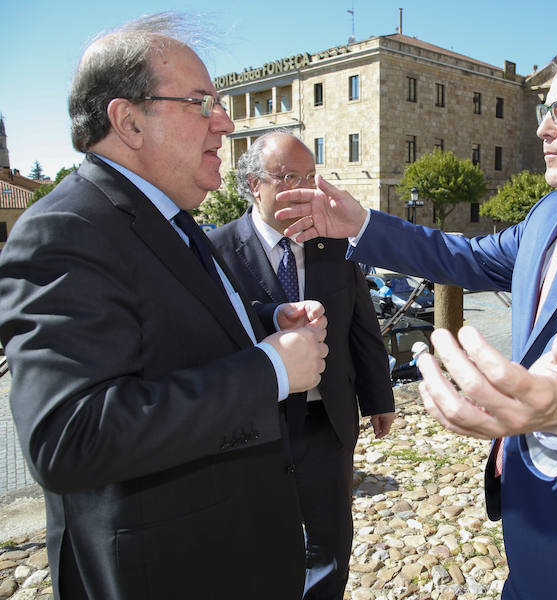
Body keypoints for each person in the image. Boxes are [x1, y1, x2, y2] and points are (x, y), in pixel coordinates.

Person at [278, 32, 557, 599]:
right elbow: (464, 257)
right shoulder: (549, 214)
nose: (542, 128)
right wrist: (364, 226)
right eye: (545, 110)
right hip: (527, 508)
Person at [0, 15, 329, 600]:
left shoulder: (167, 216)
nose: (225, 123)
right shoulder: (63, 230)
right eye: (201, 103)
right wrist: (271, 368)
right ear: (128, 121)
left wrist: (263, 323)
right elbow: (70, 437)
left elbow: (167, 327)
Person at [208, 131, 395, 600]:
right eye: (290, 177)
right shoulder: (216, 250)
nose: (305, 188)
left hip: (327, 419)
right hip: (256, 427)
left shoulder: (334, 246)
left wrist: (379, 398)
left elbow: (362, 327)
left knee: (332, 541)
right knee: (263, 540)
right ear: (254, 184)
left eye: (310, 176)